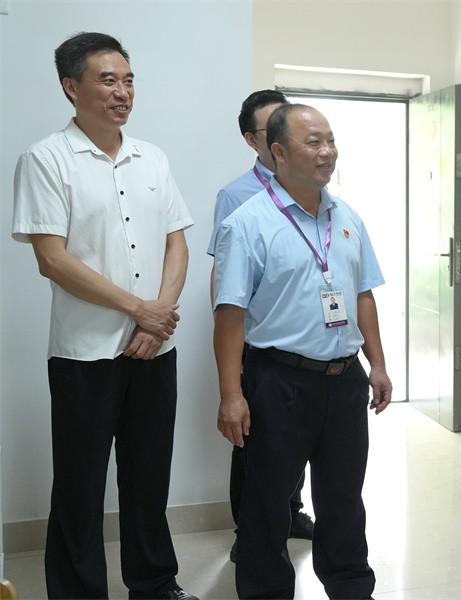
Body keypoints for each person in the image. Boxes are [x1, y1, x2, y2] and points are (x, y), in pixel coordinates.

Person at [11, 32, 197, 600]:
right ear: (72, 87)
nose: (123, 92)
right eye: (108, 80)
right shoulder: (45, 159)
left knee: (149, 479)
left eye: (129, 80)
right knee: (80, 487)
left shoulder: (152, 157)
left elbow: (177, 243)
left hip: (154, 350)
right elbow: (52, 259)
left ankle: (155, 584)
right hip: (84, 354)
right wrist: (140, 310)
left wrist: (156, 320)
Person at [212, 103, 392, 599]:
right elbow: (229, 317)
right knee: (267, 505)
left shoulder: (347, 217)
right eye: (313, 142)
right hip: (279, 382)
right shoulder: (246, 224)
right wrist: (231, 395)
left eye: (330, 140)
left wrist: (377, 364)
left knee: (344, 501)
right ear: (278, 151)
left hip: (345, 380)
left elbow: (363, 294)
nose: (327, 151)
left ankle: (352, 588)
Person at [208, 90, 315, 564]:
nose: (281, 135)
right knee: (252, 445)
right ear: (253, 141)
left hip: (307, 341)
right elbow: (224, 277)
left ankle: (293, 513)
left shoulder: (314, 189)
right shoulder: (236, 196)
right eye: (270, 128)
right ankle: (247, 531)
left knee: (302, 439)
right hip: (261, 342)